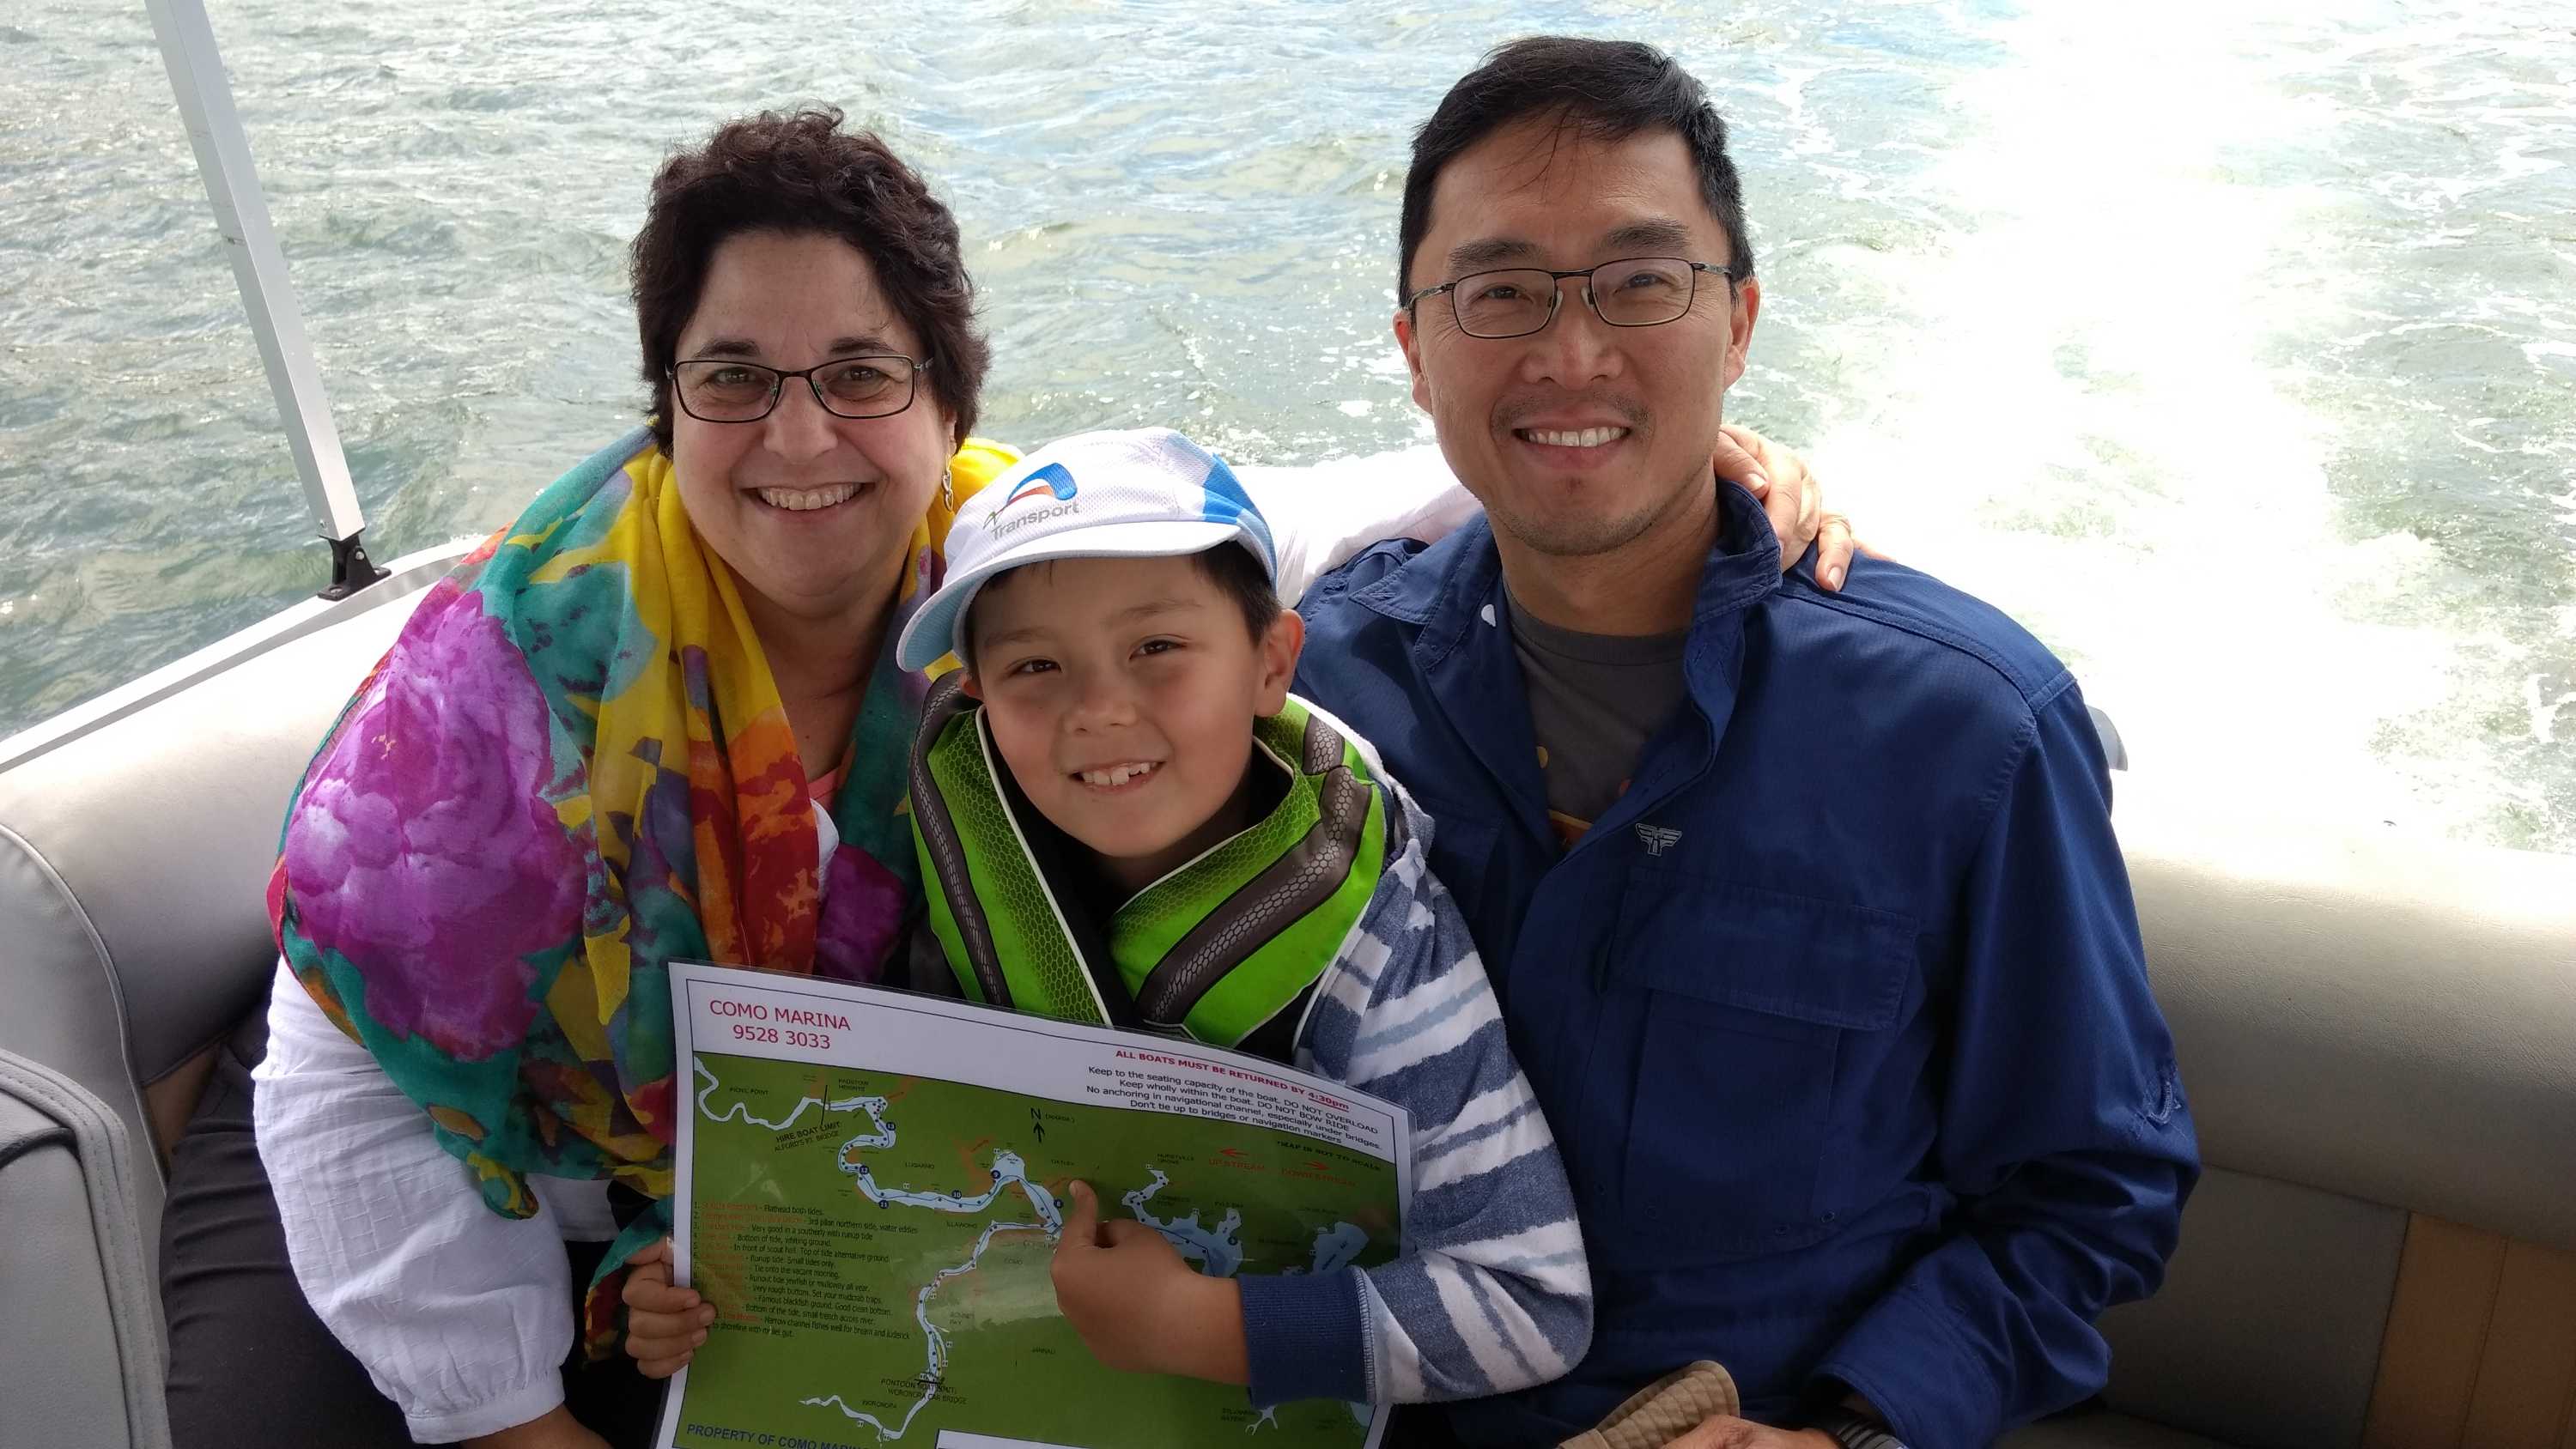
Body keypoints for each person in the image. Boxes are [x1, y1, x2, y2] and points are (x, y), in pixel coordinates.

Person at [172, 106, 1850, 1449]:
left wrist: (1666, 465)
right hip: (411, 1080)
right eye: (734, 378)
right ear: (666, 408)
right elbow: (345, 1072)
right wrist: (507, 1416)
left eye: (861, 373)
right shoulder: (518, 687)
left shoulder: (1006, 587)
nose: (804, 437)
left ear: (950, 402)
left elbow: (1291, 529)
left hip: (701, 1196)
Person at [1291, 37, 2200, 1449]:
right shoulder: (1314, 680)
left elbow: (2092, 1182)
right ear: (1414, 348)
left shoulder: (1970, 730)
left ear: (1741, 324)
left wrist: (1851, 1427)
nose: (1572, 349)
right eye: (1501, 289)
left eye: (1643, 282)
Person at [627, 426, 1595, 1411]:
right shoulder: (952, 833)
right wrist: (691, 1285)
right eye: (1034, 668)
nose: (1098, 708)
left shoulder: (1378, 947)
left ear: (1271, 662)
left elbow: (1531, 1301)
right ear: (976, 698)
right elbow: (854, 1156)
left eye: (1158, 647)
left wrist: (1203, 1326)